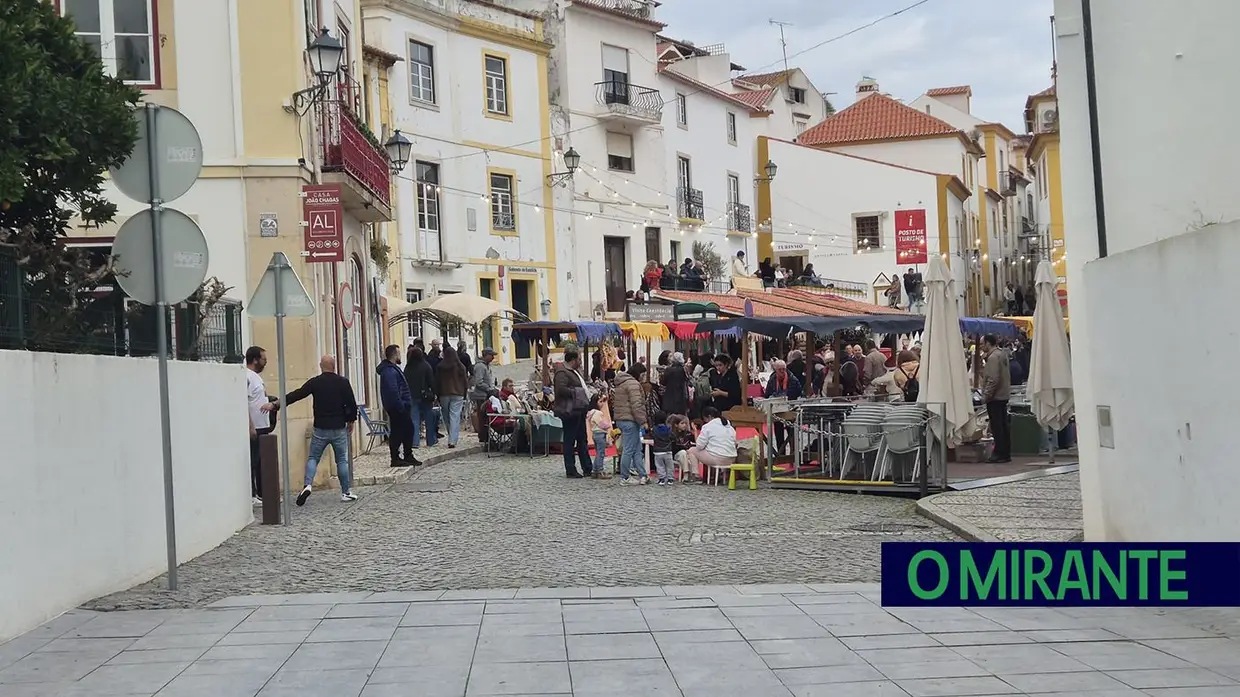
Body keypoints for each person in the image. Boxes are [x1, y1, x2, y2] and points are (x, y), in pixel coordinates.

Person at [285, 355, 360, 506]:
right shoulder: (343, 382)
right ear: (334, 366)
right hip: (338, 427)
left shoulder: (315, 382)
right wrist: (351, 420)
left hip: (320, 427)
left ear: (321, 366)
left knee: (313, 458)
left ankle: (307, 485)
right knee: (341, 461)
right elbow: (351, 403)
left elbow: (298, 394)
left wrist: (279, 403)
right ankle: (345, 492)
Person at [553, 348, 593, 478]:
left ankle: (587, 467)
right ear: (573, 360)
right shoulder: (562, 372)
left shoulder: (574, 372)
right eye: (579, 359)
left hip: (579, 409)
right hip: (570, 410)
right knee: (570, 440)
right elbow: (560, 390)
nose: (580, 362)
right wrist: (577, 392)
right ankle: (570, 469)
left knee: (582, 439)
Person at [245, 346, 277, 506]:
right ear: (255, 360)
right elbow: (243, 402)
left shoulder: (256, 377)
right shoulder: (247, 377)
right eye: (263, 359)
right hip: (255, 426)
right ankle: (251, 494)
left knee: (261, 461)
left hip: (263, 424)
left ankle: (262, 493)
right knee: (253, 460)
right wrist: (250, 425)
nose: (266, 362)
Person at [377, 345, 419, 468]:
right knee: (399, 432)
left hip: (399, 405)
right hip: (397, 407)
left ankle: (407, 455)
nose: (400, 356)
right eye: (399, 354)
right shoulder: (389, 371)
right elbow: (392, 390)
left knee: (407, 430)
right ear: (394, 355)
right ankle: (396, 457)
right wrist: (401, 406)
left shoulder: (393, 369)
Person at [612, 363, 648, 485]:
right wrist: (643, 421)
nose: (644, 377)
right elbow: (636, 404)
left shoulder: (621, 382)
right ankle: (625, 477)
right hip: (630, 420)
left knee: (637, 448)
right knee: (629, 449)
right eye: (643, 374)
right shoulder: (633, 384)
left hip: (621, 419)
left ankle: (643, 475)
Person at [981, 334, 1012, 463]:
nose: (982, 347)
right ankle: (1005, 451)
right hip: (1003, 394)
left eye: (983, 344)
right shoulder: (1002, 354)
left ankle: (999, 452)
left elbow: (993, 379)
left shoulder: (993, 358)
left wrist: (986, 395)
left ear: (988, 343)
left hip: (995, 396)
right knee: (1003, 424)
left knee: (997, 425)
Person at [687, 407, 737, 482]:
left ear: (709, 417)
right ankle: (719, 474)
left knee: (692, 450)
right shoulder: (729, 426)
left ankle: (696, 475)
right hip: (732, 458)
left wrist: (695, 432)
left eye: (705, 419)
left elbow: (699, 446)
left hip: (718, 459)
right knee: (713, 451)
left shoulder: (708, 427)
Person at [763, 359, 803, 455]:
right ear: (775, 370)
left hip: (789, 407)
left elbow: (798, 391)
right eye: (779, 369)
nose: (782, 371)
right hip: (777, 409)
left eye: (783, 369)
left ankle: (794, 453)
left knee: (791, 431)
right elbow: (767, 394)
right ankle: (780, 454)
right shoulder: (772, 379)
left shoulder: (792, 378)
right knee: (778, 431)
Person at [403, 345, 438, 449]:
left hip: (412, 396)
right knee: (429, 420)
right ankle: (430, 441)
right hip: (425, 397)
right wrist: (435, 393)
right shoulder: (426, 366)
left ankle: (415, 442)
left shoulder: (408, 367)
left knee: (414, 420)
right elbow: (431, 381)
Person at [436, 345, 469, 448]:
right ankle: (452, 440)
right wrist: (464, 392)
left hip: (444, 394)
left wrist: (437, 393)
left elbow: (437, 381)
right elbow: (465, 381)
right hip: (458, 393)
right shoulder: (460, 367)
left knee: (446, 417)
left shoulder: (440, 367)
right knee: (454, 416)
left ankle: (451, 436)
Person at [470, 347, 500, 443]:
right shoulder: (480, 367)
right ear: (486, 355)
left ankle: (486, 436)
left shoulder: (485, 366)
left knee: (486, 417)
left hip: (485, 395)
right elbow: (479, 382)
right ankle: (483, 437)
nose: (492, 358)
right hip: (481, 395)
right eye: (491, 356)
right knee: (482, 417)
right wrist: (489, 389)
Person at [586, 394, 613, 479]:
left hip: (595, 433)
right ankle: (600, 471)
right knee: (601, 453)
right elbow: (601, 423)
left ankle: (595, 470)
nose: (602, 404)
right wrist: (608, 425)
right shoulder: (597, 413)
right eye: (600, 401)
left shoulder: (591, 413)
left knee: (598, 453)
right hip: (600, 434)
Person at [659, 352, 690, 416]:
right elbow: (688, 381)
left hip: (669, 397)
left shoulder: (668, 370)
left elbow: (663, 382)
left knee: (670, 418)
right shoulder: (683, 370)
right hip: (681, 397)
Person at [649, 412, 676, 486]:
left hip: (658, 451)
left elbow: (652, 435)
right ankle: (670, 479)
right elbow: (673, 437)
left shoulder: (654, 429)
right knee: (669, 465)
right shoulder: (668, 428)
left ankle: (662, 479)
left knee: (659, 465)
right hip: (668, 450)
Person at [668, 414, 696, 481]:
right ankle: (686, 474)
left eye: (686, 423)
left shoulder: (687, 433)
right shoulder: (672, 434)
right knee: (683, 453)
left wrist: (695, 431)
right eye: (682, 423)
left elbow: (696, 441)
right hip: (677, 454)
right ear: (676, 425)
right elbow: (674, 448)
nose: (684, 425)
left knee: (692, 455)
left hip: (687, 454)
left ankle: (693, 475)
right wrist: (685, 449)